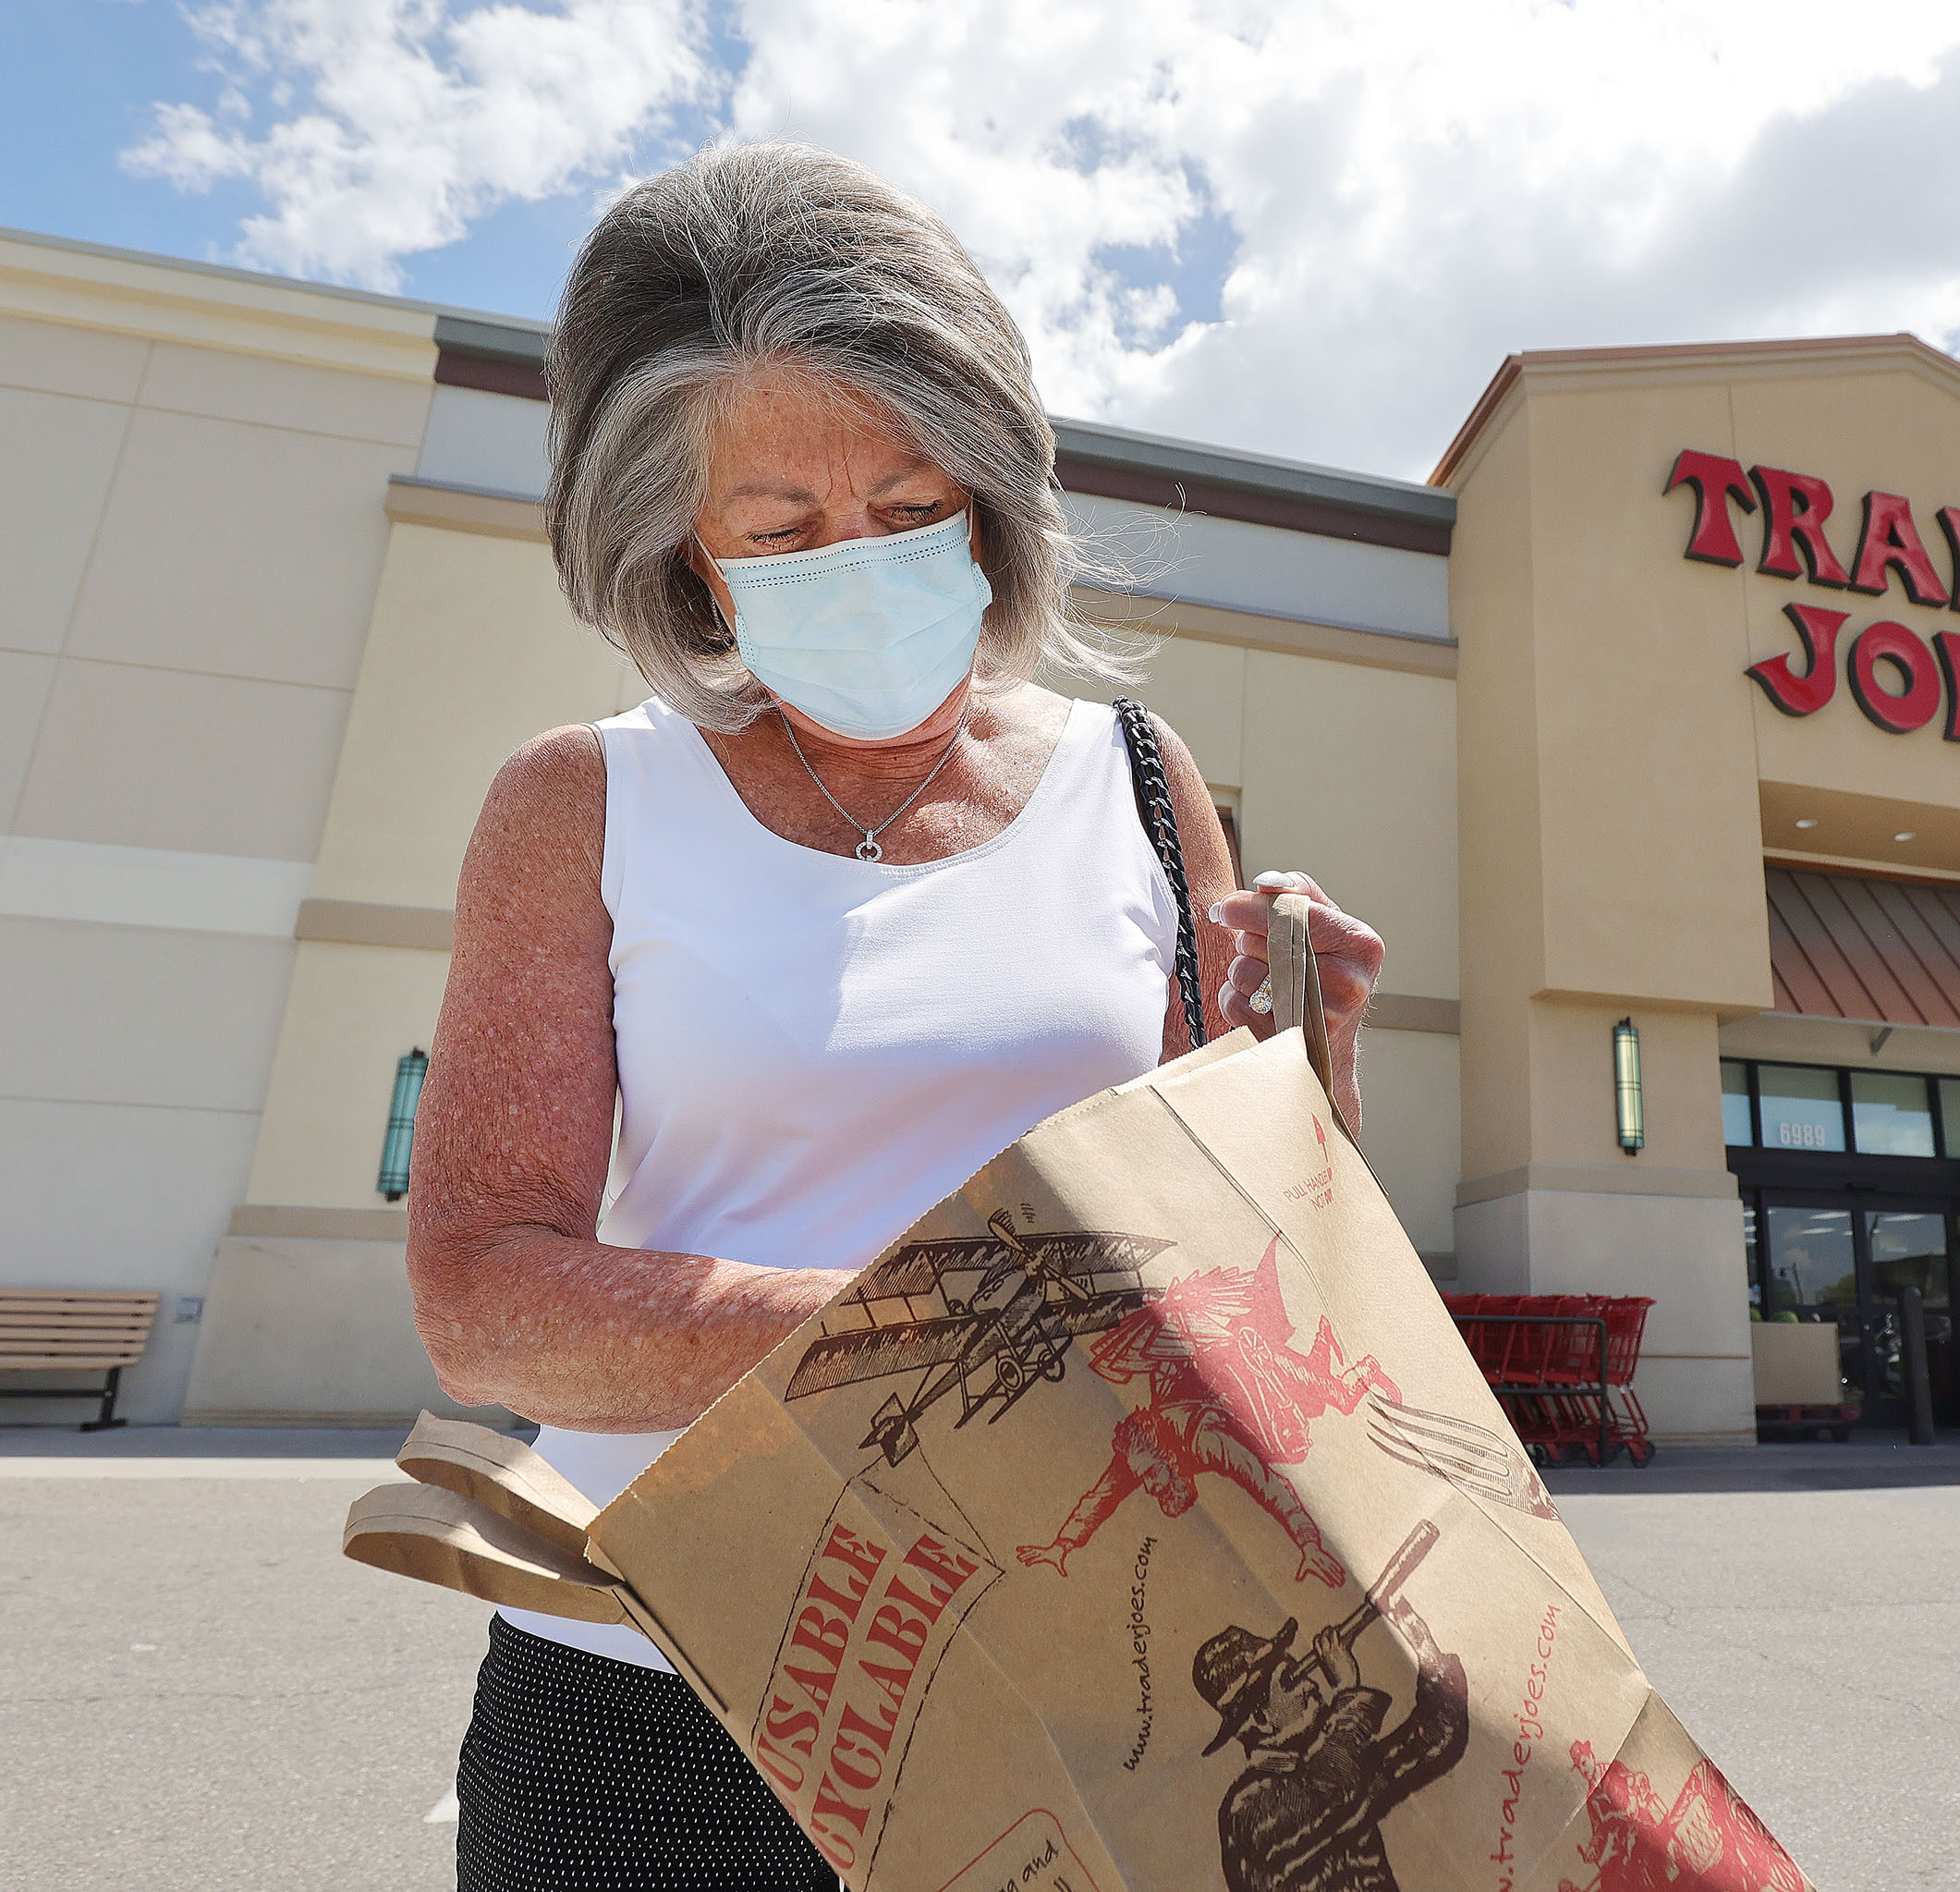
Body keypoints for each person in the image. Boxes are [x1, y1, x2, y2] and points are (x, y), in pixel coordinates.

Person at [406, 140, 1386, 1892]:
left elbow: (1251, 1273)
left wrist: (1310, 1073)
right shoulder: (580, 804)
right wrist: (966, 1325)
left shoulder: (1142, 785)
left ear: (995, 499)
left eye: (913, 504)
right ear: (692, 566)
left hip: (1084, 1667)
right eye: (780, 529)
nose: (855, 558)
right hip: (649, 1686)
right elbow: (486, 1305)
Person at [1197, 1599, 1468, 1892]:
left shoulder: (1335, 1767)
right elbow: (1335, 1793)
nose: (1311, 1682)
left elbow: (1428, 1742)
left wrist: (1424, 1648)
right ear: (1261, 1718)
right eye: (1290, 1679)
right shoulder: (1249, 1809)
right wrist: (1348, 1692)